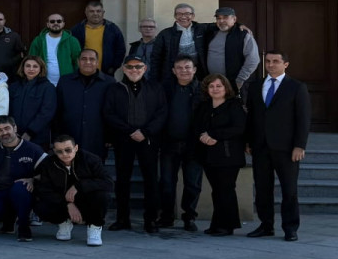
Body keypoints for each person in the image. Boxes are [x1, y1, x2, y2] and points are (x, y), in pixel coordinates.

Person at [246, 50, 310, 242]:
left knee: (289, 190)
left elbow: (303, 119)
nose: (271, 65)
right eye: (268, 61)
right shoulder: (256, 86)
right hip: (261, 147)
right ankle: (266, 225)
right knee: (263, 189)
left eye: (275, 61)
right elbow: (251, 117)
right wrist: (249, 141)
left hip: (287, 148)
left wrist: (299, 146)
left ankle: (290, 228)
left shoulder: (297, 87)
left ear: (285, 64)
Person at [103, 53, 166, 234]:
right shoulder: (114, 89)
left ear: (144, 68)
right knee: (122, 180)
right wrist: (129, 131)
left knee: (151, 180)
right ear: (124, 69)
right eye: (130, 67)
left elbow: (162, 113)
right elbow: (109, 113)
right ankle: (123, 219)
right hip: (124, 140)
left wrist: (145, 132)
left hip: (148, 140)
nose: (134, 70)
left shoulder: (155, 88)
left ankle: (150, 220)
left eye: (138, 66)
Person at [34, 134, 112, 247]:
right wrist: (68, 205)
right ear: (54, 151)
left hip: (85, 200)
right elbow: (44, 190)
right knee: (40, 204)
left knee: (102, 196)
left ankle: (94, 226)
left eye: (68, 150)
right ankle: (64, 222)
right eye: (60, 151)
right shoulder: (48, 163)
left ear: (76, 148)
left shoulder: (90, 159)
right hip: (61, 201)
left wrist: (79, 186)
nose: (64, 154)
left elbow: (108, 183)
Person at [0, 115, 47, 242]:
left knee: (19, 188)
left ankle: (24, 226)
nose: (4, 133)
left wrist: (33, 179)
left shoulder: (33, 149)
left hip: (23, 192)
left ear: (15, 128)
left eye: (7, 128)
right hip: (0, 191)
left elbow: (49, 171)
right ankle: (9, 219)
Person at [196, 73, 247, 236]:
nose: (215, 89)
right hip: (208, 155)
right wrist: (203, 136)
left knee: (226, 190)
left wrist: (214, 135)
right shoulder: (204, 106)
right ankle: (217, 224)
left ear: (226, 88)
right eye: (211, 86)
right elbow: (196, 125)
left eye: (219, 86)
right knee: (216, 190)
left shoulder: (234, 105)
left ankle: (227, 226)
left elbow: (239, 128)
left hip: (229, 156)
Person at [158, 55, 204, 231]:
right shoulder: (165, 89)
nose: (184, 71)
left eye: (187, 67)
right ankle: (167, 216)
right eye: (179, 68)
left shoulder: (203, 90)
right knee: (167, 183)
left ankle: (189, 217)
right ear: (173, 71)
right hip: (169, 144)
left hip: (194, 145)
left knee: (192, 184)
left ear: (194, 70)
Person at [56, 49, 110, 160]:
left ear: (97, 61)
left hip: (98, 137)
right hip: (69, 137)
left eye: (92, 59)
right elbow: (58, 110)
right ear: (78, 61)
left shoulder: (109, 83)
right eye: (84, 59)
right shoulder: (65, 81)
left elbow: (112, 111)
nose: (88, 62)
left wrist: (110, 137)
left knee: (95, 173)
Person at [202, 7, 260, 93]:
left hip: (235, 85)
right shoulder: (210, 32)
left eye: (225, 17)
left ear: (234, 19)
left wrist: (239, 81)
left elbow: (253, 60)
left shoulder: (243, 35)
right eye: (218, 18)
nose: (221, 21)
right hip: (212, 85)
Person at [149, 4, 208, 82]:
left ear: (193, 16)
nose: (183, 17)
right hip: (173, 75)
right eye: (179, 14)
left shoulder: (203, 29)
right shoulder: (165, 34)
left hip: (199, 74)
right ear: (175, 16)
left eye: (187, 14)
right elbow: (156, 58)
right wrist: (154, 80)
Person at [9, 55, 57, 147]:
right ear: (23, 68)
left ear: (41, 69)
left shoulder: (48, 87)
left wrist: (30, 132)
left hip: (37, 136)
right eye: (28, 66)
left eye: (35, 66)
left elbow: (47, 112)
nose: (31, 69)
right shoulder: (14, 86)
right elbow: (9, 110)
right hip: (14, 135)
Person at [70, 1, 127, 77]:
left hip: (106, 73)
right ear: (86, 13)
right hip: (82, 72)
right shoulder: (76, 30)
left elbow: (120, 49)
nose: (95, 14)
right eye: (91, 11)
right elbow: (70, 51)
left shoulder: (113, 29)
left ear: (103, 12)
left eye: (98, 11)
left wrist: (113, 67)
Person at [28, 13, 82, 86]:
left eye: (59, 21)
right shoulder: (39, 40)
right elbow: (32, 60)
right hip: (43, 83)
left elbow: (77, 62)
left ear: (63, 24)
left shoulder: (72, 41)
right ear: (48, 24)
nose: (56, 23)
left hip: (67, 83)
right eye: (52, 21)